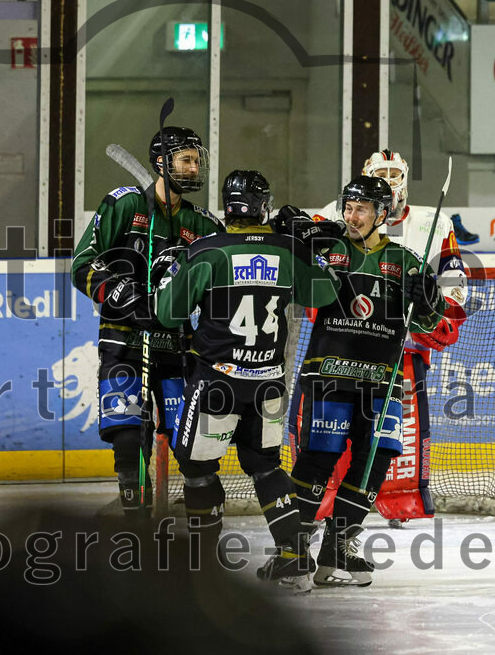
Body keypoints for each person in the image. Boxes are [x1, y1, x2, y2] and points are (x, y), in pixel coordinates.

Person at [154, 170, 339, 591]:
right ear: (263, 206)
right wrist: (314, 250)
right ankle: (294, 561)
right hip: (269, 384)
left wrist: (169, 270)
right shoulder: (289, 250)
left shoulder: (207, 251)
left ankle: (202, 563)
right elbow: (325, 293)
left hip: (217, 382)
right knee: (266, 466)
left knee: (197, 467)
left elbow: (167, 313)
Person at [282, 175, 446, 587]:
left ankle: (336, 550)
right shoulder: (329, 248)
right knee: (317, 459)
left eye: (362, 209)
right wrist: (290, 226)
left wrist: (428, 298)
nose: (352, 217)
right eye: (348, 207)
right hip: (329, 374)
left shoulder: (406, 260)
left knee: (377, 458)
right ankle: (294, 552)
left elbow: (430, 323)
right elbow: (287, 254)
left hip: (381, 381)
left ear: (382, 214)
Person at [71, 126, 223, 518]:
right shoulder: (125, 205)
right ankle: (137, 541)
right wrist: (122, 293)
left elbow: (226, 284)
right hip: (124, 342)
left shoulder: (202, 224)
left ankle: (204, 544)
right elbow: (82, 265)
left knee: (192, 450)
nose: (194, 167)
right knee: (128, 443)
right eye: (185, 160)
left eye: (196, 160)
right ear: (161, 163)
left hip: (177, 350)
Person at [314, 150, 468, 525]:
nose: (388, 179)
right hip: (343, 343)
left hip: (404, 347)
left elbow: (453, 279)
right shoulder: (336, 214)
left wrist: (438, 312)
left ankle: (398, 502)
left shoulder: (434, 221)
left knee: (395, 436)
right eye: (379, 172)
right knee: (331, 433)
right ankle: (327, 503)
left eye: (394, 172)